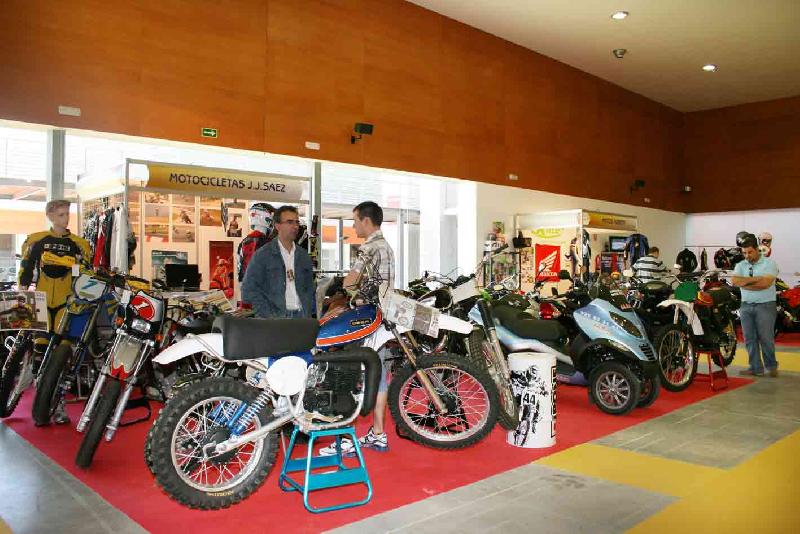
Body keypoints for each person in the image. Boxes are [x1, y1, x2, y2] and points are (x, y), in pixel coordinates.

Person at [320, 201, 395, 456]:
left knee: (350, 374)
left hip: (364, 322)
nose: (353, 226)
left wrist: (343, 294)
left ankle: (346, 438)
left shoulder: (370, 247)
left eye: (354, 221)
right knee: (378, 375)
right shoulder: (386, 247)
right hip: (381, 319)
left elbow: (350, 282)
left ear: (366, 220)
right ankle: (378, 434)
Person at [18, 199, 91, 424]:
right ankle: (37, 389)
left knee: (63, 354)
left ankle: (58, 404)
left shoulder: (79, 244)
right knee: (39, 350)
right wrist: (23, 290)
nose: (65, 218)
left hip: (65, 303)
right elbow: (26, 267)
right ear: (49, 216)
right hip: (39, 299)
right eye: (60, 214)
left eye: (67, 214)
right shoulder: (36, 240)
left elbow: (85, 273)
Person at [241, 205, 313, 318]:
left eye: (297, 222)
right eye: (289, 222)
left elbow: (309, 287)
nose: (295, 226)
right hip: (274, 319)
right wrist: (267, 314)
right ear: (277, 226)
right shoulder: (263, 255)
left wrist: (307, 311)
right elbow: (248, 290)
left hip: (301, 317)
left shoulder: (304, 256)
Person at [731, 234, 779, 377]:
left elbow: (765, 284)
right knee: (749, 338)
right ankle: (755, 367)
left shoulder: (769, 263)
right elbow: (735, 281)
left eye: (750, 252)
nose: (747, 256)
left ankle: (771, 366)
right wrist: (756, 279)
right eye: (744, 253)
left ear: (757, 249)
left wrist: (745, 282)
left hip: (766, 305)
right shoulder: (740, 265)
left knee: (766, 338)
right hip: (745, 305)